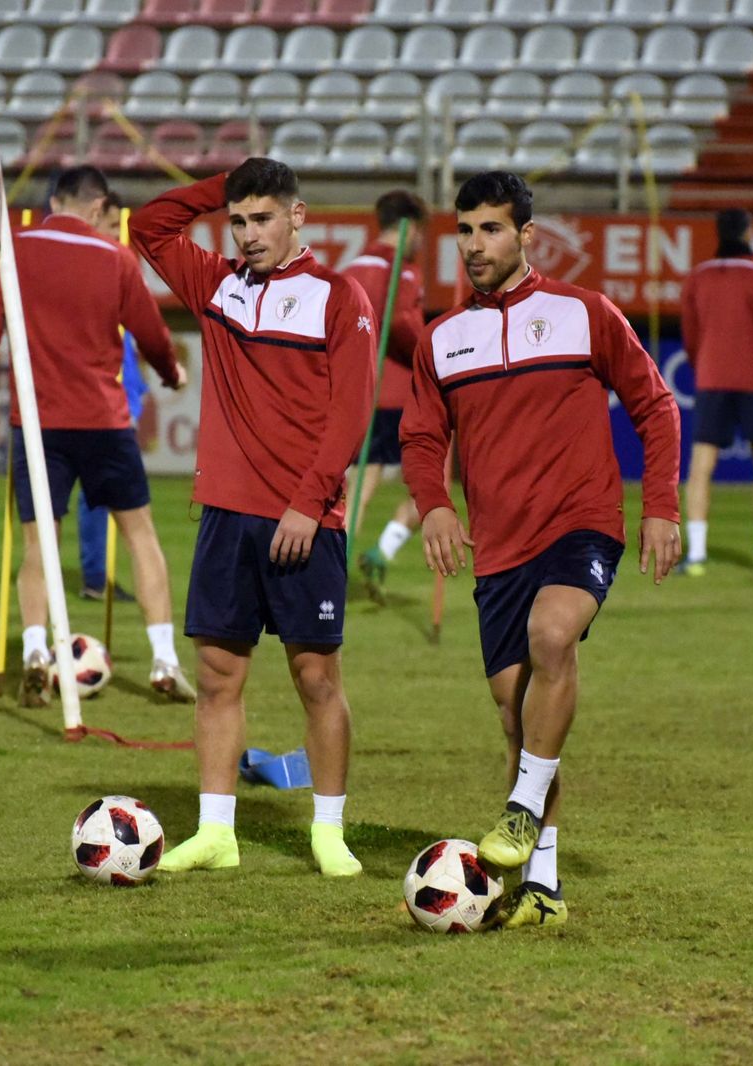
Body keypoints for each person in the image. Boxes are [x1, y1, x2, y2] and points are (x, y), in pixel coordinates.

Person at [401, 172, 682, 928]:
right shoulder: (442, 339)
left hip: (581, 521)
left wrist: (660, 507)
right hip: (498, 548)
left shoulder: (583, 314)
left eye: (490, 230)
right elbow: (423, 436)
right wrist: (433, 505)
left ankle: (521, 807)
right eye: (464, 232)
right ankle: (545, 886)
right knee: (520, 723)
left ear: (526, 236)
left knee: (553, 634)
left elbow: (655, 406)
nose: (474, 246)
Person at [131, 158, 375, 878]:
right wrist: (223, 186)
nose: (247, 234)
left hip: (304, 519)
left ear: (298, 216)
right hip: (226, 517)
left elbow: (352, 412)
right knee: (215, 677)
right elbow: (148, 226)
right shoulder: (219, 288)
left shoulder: (338, 296)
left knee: (317, 680)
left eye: (263, 217)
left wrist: (309, 502)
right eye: (237, 221)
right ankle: (216, 832)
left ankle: (328, 831)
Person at [0, 165, 195, 707]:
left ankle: (33, 655)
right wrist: (169, 371)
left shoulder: (10, 252)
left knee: (37, 543)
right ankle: (164, 661)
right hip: (103, 420)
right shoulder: (114, 257)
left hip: (38, 422)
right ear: (98, 208)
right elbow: (150, 331)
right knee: (140, 535)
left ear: (54, 201)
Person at [676, 207, 753, 578]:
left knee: (700, 467)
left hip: (712, 381)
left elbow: (690, 336)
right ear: (748, 234)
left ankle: (695, 556)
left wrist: (705, 369)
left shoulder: (697, 276)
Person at [341, 190, 428, 603]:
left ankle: (332, 559)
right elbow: (401, 322)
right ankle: (383, 549)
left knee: (360, 480)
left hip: (359, 393)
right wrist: (433, 356)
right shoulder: (403, 271)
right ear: (410, 227)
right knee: (428, 487)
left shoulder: (354, 266)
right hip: (400, 393)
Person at [77, 189, 149, 604]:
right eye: (110, 225)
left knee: (101, 495)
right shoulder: (96, 266)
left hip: (121, 386)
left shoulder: (116, 263)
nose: (116, 234)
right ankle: (95, 576)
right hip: (104, 395)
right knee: (102, 493)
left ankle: (95, 575)